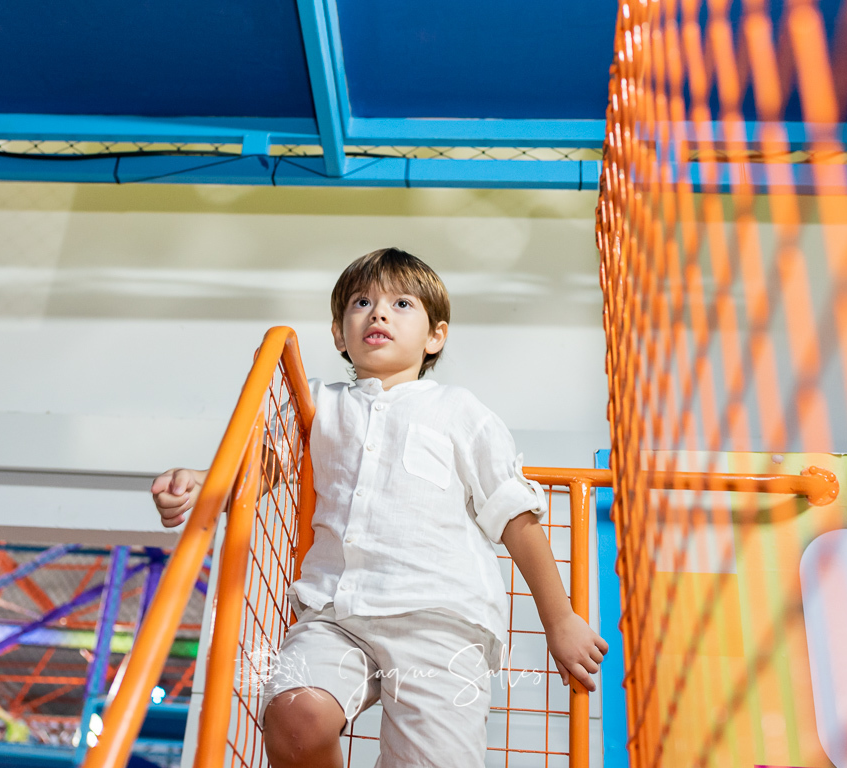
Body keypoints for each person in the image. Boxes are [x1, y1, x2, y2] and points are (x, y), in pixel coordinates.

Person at [151, 248, 608, 768]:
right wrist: (200, 481)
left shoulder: (458, 411)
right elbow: (259, 468)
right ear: (338, 333)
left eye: (401, 303)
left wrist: (560, 619)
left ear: (436, 335)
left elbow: (515, 518)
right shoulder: (318, 404)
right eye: (362, 302)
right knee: (295, 714)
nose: (379, 313)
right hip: (334, 616)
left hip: (439, 623)